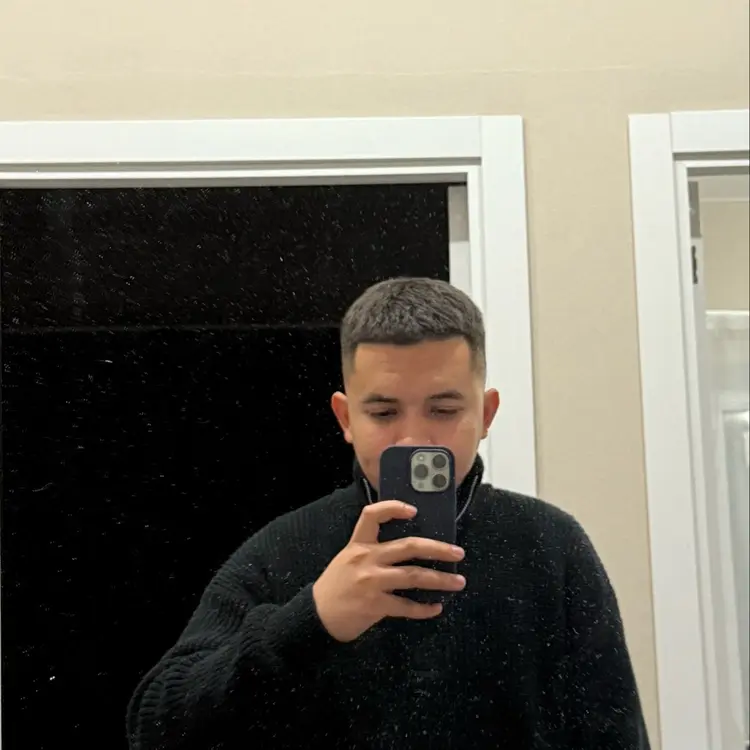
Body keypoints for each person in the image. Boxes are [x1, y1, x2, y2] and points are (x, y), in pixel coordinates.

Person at [126, 277, 650, 749]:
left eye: (444, 410)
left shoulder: (551, 546)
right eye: (382, 412)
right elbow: (154, 725)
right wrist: (311, 620)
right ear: (345, 418)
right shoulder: (283, 548)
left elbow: (616, 736)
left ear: (486, 413)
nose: (413, 439)